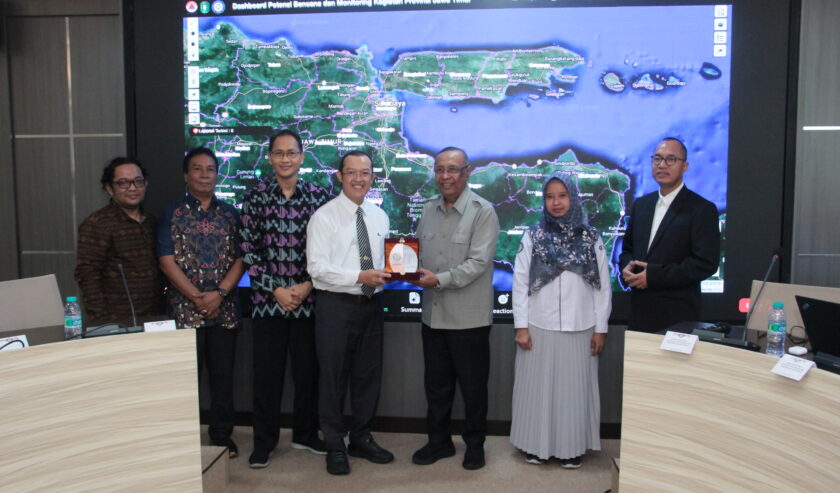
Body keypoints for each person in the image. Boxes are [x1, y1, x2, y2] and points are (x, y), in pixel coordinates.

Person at [239, 130, 330, 468]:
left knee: (308, 375)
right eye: (279, 153)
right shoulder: (256, 196)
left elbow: (328, 248)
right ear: (270, 158)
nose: (286, 159)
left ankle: (306, 434)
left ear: (303, 156)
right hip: (267, 301)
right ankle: (264, 442)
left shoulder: (319, 196)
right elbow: (248, 248)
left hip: (309, 301)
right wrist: (276, 289)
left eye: (292, 152)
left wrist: (307, 285)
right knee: (267, 377)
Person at [510, 173, 610, 469]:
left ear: (574, 198)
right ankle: (536, 446)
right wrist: (521, 326)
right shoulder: (533, 235)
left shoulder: (592, 238)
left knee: (573, 395)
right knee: (538, 393)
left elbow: (602, 287)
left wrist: (601, 329)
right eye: (550, 196)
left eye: (563, 195)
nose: (556, 202)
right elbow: (519, 283)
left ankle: (572, 448)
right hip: (539, 326)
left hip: (581, 327)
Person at [306, 150, 394, 475]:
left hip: (372, 306)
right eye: (351, 172)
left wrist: (401, 270)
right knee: (333, 378)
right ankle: (334, 444)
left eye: (365, 172)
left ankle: (361, 438)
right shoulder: (324, 217)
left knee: (367, 376)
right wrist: (359, 276)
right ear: (340, 177)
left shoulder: (380, 216)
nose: (359, 178)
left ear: (373, 177)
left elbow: (387, 262)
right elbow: (316, 269)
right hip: (336, 307)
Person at [412, 147, 500, 471]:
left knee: (473, 388)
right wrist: (407, 267)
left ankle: (475, 445)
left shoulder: (483, 211)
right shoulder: (428, 209)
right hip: (433, 317)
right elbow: (417, 252)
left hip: (469, 319)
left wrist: (437, 280)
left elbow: (478, 263)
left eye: (453, 169)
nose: (445, 176)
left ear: (467, 172)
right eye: (440, 169)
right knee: (436, 386)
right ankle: (439, 443)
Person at [158, 147, 245, 458]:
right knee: (185, 379)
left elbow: (241, 258)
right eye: (197, 169)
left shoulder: (231, 214)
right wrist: (196, 296)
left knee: (223, 378)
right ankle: (182, 439)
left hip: (224, 309)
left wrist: (219, 293)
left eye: (210, 169)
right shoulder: (172, 213)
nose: (205, 175)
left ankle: (222, 436)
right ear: (186, 175)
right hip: (185, 310)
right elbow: (166, 259)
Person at [619, 137, 720, 332]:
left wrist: (654, 276)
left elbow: (705, 263)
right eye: (657, 159)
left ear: (685, 166)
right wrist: (626, 267)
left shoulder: (701, 209)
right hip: (639, 314)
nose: (662, 165)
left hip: (678, 318)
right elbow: (628, 249)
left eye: (670, 159)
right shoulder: (642, 205)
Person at [74, 157, 164, 327]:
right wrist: (101, 320)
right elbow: (87, 274)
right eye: (123, 183)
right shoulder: (97, 224)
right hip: (116, 320)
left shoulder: (152, 221)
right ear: (109, 188)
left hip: (155, 317)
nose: (132, 188)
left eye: (138, 181)